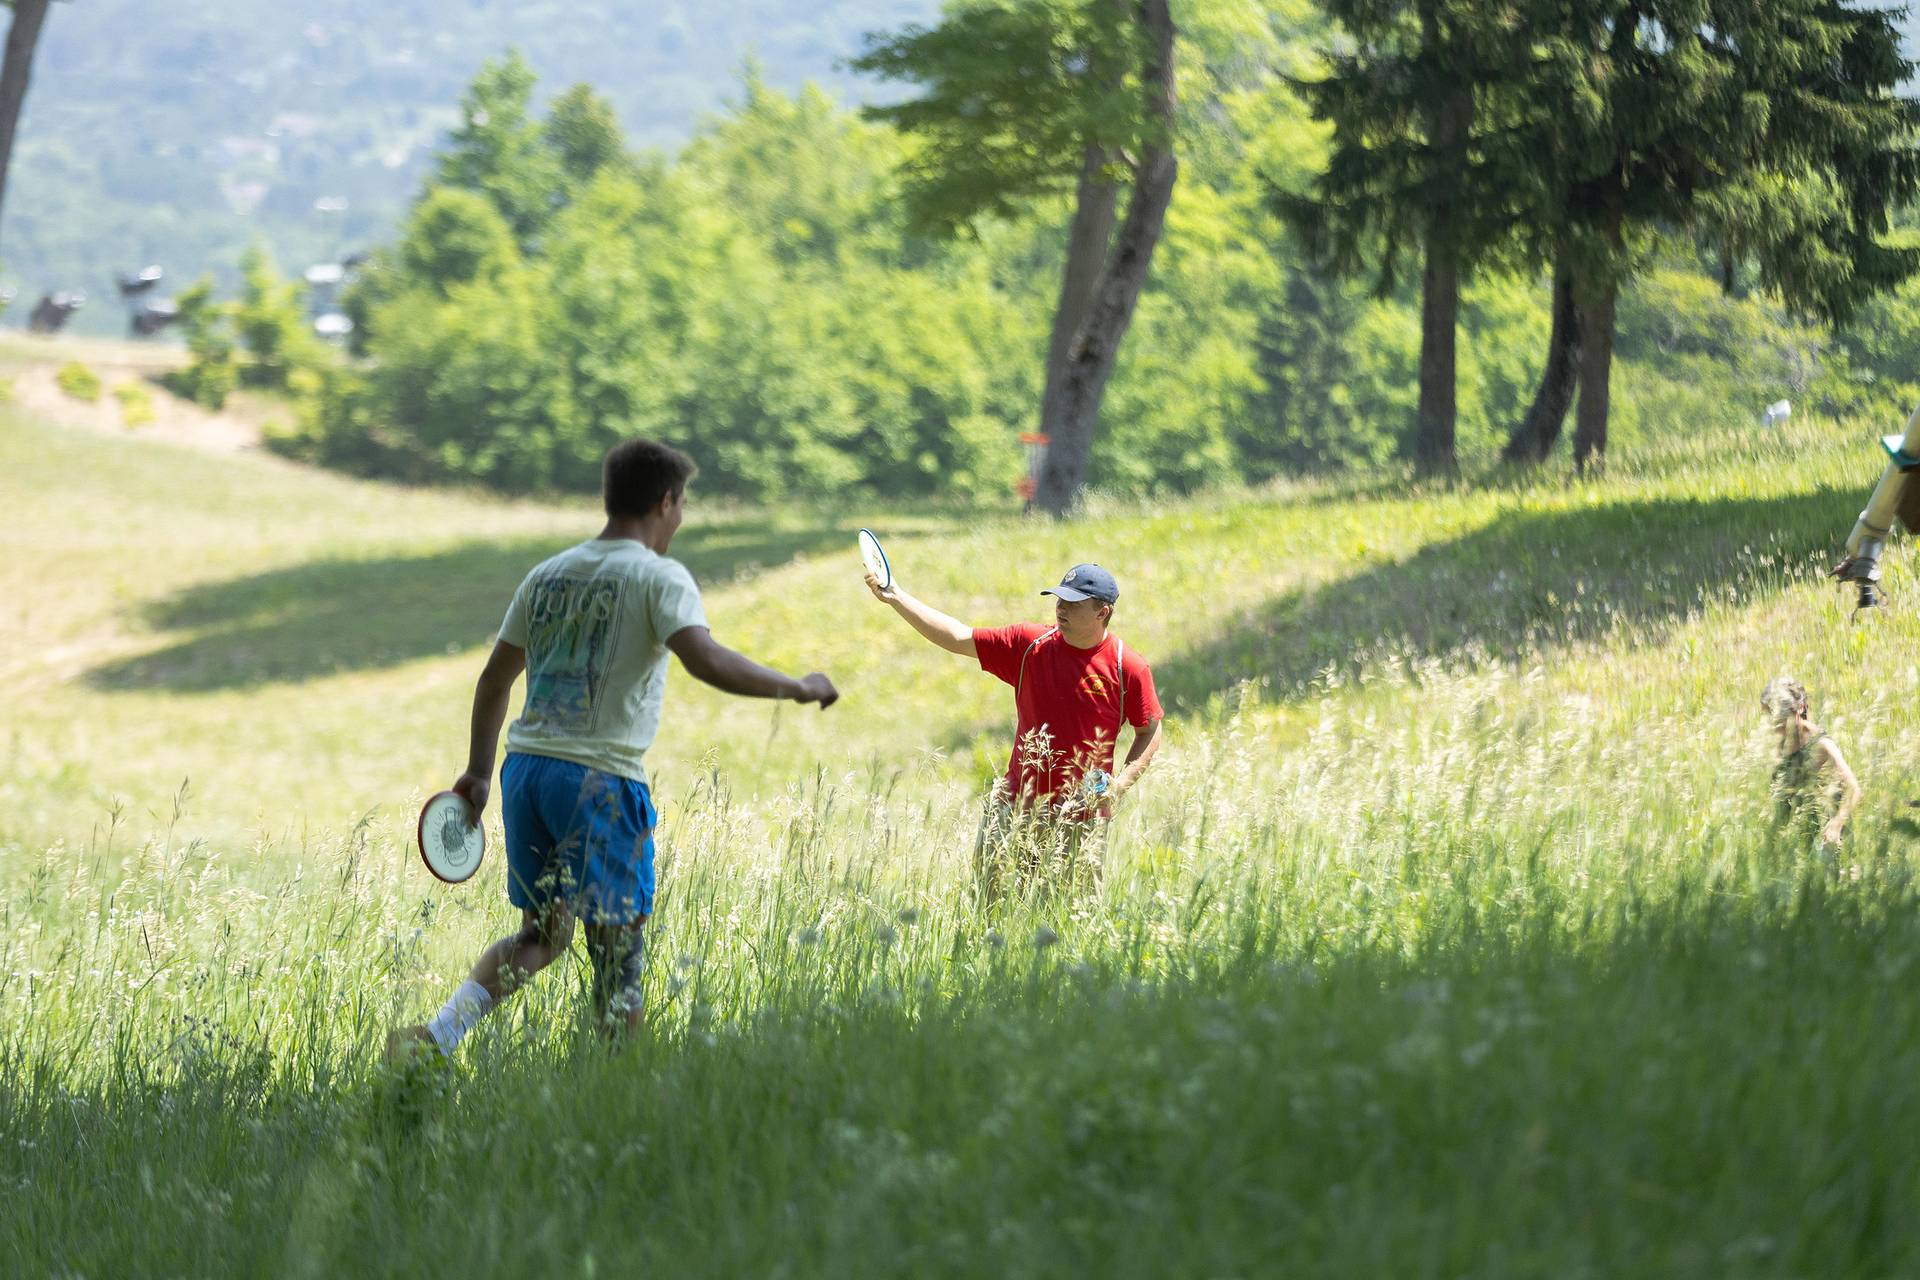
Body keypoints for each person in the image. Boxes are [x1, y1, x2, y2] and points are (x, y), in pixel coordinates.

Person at [393, 439, 839, 1060]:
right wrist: (797, 686)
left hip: (526, 774)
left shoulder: (546, 575)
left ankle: (434, 1040)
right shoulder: (658, 576)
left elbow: (495, 678)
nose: (680, 519)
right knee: (618, 954)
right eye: (682, 506)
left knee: (543, 934)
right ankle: (618, 1082)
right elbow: (706, 660)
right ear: (665, 503)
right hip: (598, 781)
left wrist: (478, 771)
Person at [867, 561, 1163, 888]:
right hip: (1014, 806)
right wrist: (896, 597)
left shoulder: (1127, 667)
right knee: (990, 904)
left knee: (1070, 912)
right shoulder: (1030, 644)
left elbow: (1150, 729)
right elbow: (957, 636)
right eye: (1059, 598)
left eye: (1073, 602)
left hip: (1082, 818)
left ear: (1102, 612)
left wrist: (1119, 786)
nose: (1060, 608)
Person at [1761, 676, 1861, 846]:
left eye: (1779, 721)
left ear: (1799, 709)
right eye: (1770, 718)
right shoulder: (1779, 743)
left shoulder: (1820, 744)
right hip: (1797, 836)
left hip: (1827, 839)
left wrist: (1836, 825)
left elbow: (1854, 789)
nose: (1774, 727)